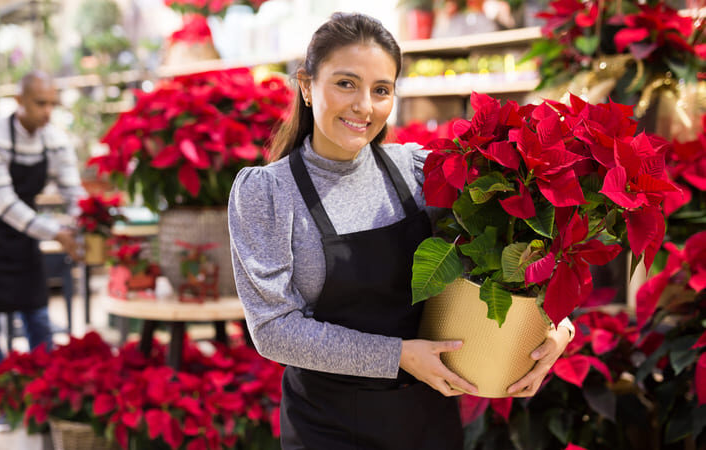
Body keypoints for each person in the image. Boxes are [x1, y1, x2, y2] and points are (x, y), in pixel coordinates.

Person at [228, 12, 573, 449]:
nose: (364, 107)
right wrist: (398, 356)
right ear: (305, 85)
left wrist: (557, 329)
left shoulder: (416, 169)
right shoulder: (269, 194)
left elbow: (512, 245)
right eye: (345, 83)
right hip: (329, 426)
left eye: (381, 90)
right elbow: (274, 329)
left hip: (427, 418)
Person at [0, 71, 85, 430]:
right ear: (19, 101)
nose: (47, 112)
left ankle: (44, 396)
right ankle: (3, 402)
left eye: (51, 104)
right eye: (40, 103)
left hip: (23, 238)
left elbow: (74, 192)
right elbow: (2, 203)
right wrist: (56, 231)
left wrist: (86, 225)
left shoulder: (54, 141)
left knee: (38, 318)